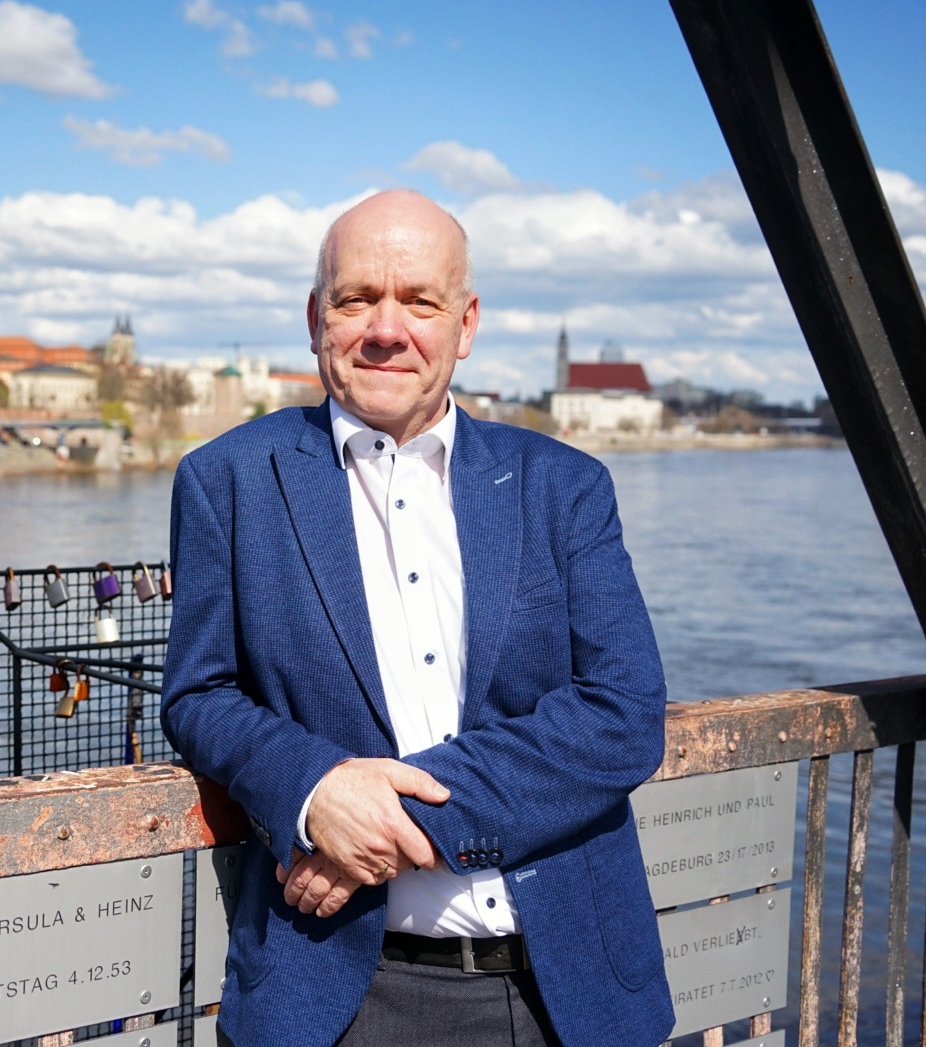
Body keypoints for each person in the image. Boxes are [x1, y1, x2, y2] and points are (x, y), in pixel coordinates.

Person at [160, 190, 673, 1047]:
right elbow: (198, 694)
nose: (386, 329)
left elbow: (624, 713)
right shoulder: (229, 479)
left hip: (565, 993)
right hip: (337, 992)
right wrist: (315, 788)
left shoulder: (563, 486)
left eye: (420, 302)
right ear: (316, 317)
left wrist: (392, 824)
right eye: (357, 298)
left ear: (465, 325)